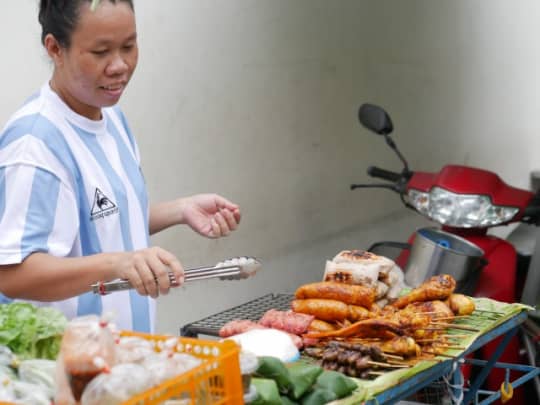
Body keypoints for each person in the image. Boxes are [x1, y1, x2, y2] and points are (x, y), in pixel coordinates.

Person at [0, 0, 241, 332]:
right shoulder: (34, 144)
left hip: (123, 357)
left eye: (129, 46)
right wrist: (118, 263)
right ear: (55, 48)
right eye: (101, 52)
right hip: (65, 369)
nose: (120, 65)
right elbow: (12, 272)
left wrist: (179, 210)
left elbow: (101, 223)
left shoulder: (110, 117)